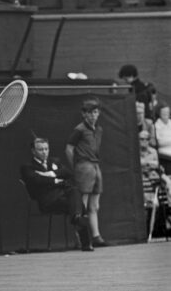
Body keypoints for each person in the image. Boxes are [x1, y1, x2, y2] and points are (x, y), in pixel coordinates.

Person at [21, 137, 92, 251]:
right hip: (47, 202)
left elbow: (68, 173)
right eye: (41, 150)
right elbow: (36, 180)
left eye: (46, 149)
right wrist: (55, 181)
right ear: (33, 151)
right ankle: (85, 240)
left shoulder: (54, 162)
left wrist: (51, 173)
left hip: (62, 198)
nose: (44, 152)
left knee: (74, 193)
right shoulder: (27, 167)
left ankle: (76, 218)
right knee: (78, 203)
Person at [65, 97, 110, 248]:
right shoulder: (79, 130)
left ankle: (96, 236)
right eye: (89, 113)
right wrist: (76, 166)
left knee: (94, 205)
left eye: (95, 112)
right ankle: (81, 239)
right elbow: (69, 148)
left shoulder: (99, 130)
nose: (93, 115)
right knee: (82, 205)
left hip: (95, 167)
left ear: (99, 114)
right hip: (84, 167)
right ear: (84, 114)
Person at [155, 104, 171, 174]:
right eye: (163, 112)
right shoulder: (156, 125)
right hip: (164, 156)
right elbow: (159, 142)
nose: (165, 114)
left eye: (167, 112)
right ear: (159, 114)